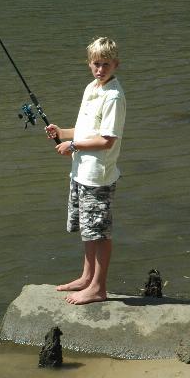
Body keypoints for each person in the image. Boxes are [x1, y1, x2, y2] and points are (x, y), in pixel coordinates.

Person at [46, 36, 126, 304]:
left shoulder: (113, 96)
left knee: (99, 232)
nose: (100, 69)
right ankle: (86, 277)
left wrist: (73, 145)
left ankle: (98, 288)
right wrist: (62, 133)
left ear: (116, 65)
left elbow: (107, 140)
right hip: (80, 172)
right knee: (88, 229)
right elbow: (84, 131)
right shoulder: (92, 88)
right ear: (89, 64)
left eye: (106, 65)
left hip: (97, 177)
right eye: (96, 64)